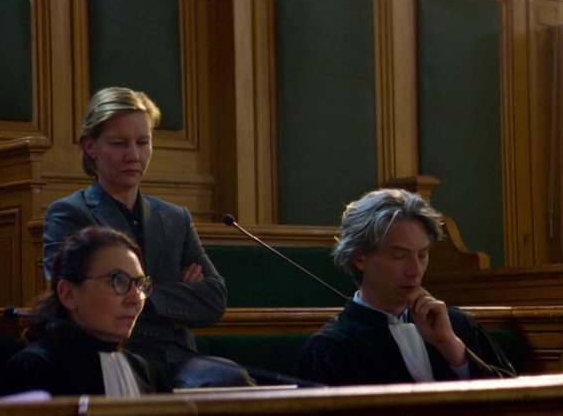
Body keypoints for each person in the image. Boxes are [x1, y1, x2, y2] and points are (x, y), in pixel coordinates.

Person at [42, 87, 254, 388]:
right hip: (112, 355)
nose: (134, 155)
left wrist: (128, 290)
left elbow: (214, 297)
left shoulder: (174, 217)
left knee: (233, 380)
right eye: (119, 143)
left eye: (143, 142)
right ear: (91, 146)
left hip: (177, 357)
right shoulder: (70, 213)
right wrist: (177, 294)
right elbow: (74, 300)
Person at [299, 188, 516, 385]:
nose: (415, 270)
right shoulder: (331, 350)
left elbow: (516, 403)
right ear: (360, 257)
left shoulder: (456, 326)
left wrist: (450, 346)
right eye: (399, 256)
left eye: (422, 255)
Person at [0, 226, 169, 396]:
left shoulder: (143, 371)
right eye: (118, 281)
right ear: (68, 294)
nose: (135, 299)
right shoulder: (32, 371)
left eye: (140, 284)